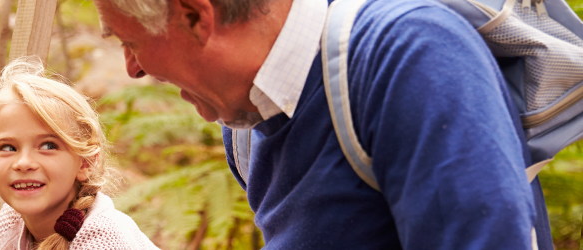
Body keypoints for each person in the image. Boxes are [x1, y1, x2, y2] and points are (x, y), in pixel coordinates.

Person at [92, 0, 551, 249]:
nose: (133, 69)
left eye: (131, 42)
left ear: (195, 15)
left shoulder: (410, 57)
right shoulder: (246, 118)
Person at [0, 58, 157, 250]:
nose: (24, 163)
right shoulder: (12, 218)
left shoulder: (103, 240)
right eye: (8, 148)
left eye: (47, 146)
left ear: (85, 162)